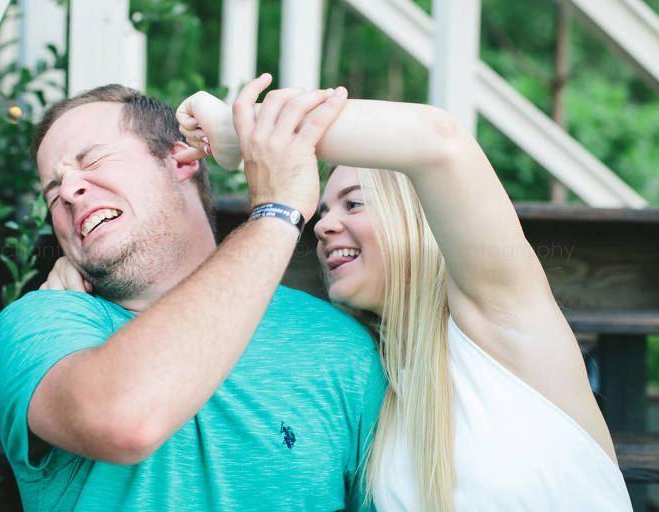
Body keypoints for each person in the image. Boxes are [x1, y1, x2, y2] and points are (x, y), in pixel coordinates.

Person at [168, 82, 633, 511]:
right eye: (323, 210)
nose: (323, 226)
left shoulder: (505, 321)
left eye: (353, 203)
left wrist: (243, 130)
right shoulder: (373, 391)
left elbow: (438, 141)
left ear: (417, 220)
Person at [0, 75, 386, 511]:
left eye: (94, 160)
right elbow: (123, 419)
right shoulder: (38, 329)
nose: (67, 191)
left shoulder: (337, 344)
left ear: (181, 159)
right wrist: (277, 210)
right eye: (52, 192)